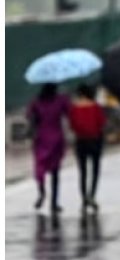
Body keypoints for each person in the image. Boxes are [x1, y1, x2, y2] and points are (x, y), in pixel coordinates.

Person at [26, 83, 71, 212]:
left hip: (41, 138)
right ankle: (54, 202)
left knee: (40, 168)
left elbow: (30, 117)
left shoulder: (36, 102)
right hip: (56, 138)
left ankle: (41, 193)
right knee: (55, 172)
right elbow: (69, 112)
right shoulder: (60, 100)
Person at [68, 83, 107, 212]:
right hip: (95, 141)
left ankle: (84, 197)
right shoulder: (96, 107)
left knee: (83, 171)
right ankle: (92, 195)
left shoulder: (75, 108)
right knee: (95, 169)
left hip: (81, 141)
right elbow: (101, 123)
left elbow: (72, 125)